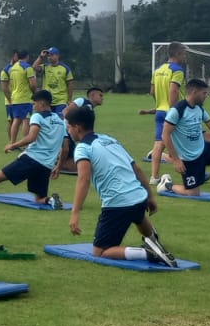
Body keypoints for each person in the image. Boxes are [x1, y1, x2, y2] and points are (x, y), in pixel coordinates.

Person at [64, 103, 177, 265]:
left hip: (117, 203)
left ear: (78, 127)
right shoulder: (109, 140)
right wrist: (150, 197)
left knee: (100, 252)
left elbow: (83, 179)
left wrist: (75, 213)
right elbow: (136, 169)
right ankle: (153, 240)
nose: (68, 130)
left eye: (69, 126)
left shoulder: (82, 148)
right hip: (139, 196)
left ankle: (149, 252)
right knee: (138, 216)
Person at [0, 88, 65, 207]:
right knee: (39, 199)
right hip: (46, 165)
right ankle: (51, 200)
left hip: (32, 159)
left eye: (34, 103)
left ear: (41, 103)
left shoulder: (37, 117)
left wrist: (13, 144)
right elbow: (65, 147)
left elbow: (31, 137)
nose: (33, 106)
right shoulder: (60, 121)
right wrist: (58, 166)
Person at [141, 43, 187, 182]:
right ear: (177, 54)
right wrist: (174, 110)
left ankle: (154, 177)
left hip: (160, 111)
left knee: (159, 144)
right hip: (172, 111)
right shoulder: (177, 70)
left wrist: (159, 105)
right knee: (188, 142)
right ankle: (193, 174)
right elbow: (174, 90)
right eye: (184, 54)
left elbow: (152, 92)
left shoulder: (158, 70)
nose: (185, 57)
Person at [57, 87, 106, 172]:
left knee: (74, 162)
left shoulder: (90, 109)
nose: (102, 98)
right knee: (73, 164)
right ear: (92, 95)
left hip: (71, 133)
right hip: (66, 131)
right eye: (100, 95)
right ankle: (53, 163)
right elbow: (66, 111)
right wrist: (70, 126)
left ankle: (57, 162)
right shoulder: (82, 101)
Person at [0, 49, 37, 148]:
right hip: (25, 97)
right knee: (26, 120)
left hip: (14, 97)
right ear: (27, 57)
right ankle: (26, 143)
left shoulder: (12, 68)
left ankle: (12, 142)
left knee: (16, 120)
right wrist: (35, 94)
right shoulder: (27, 67)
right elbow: (33, 84)